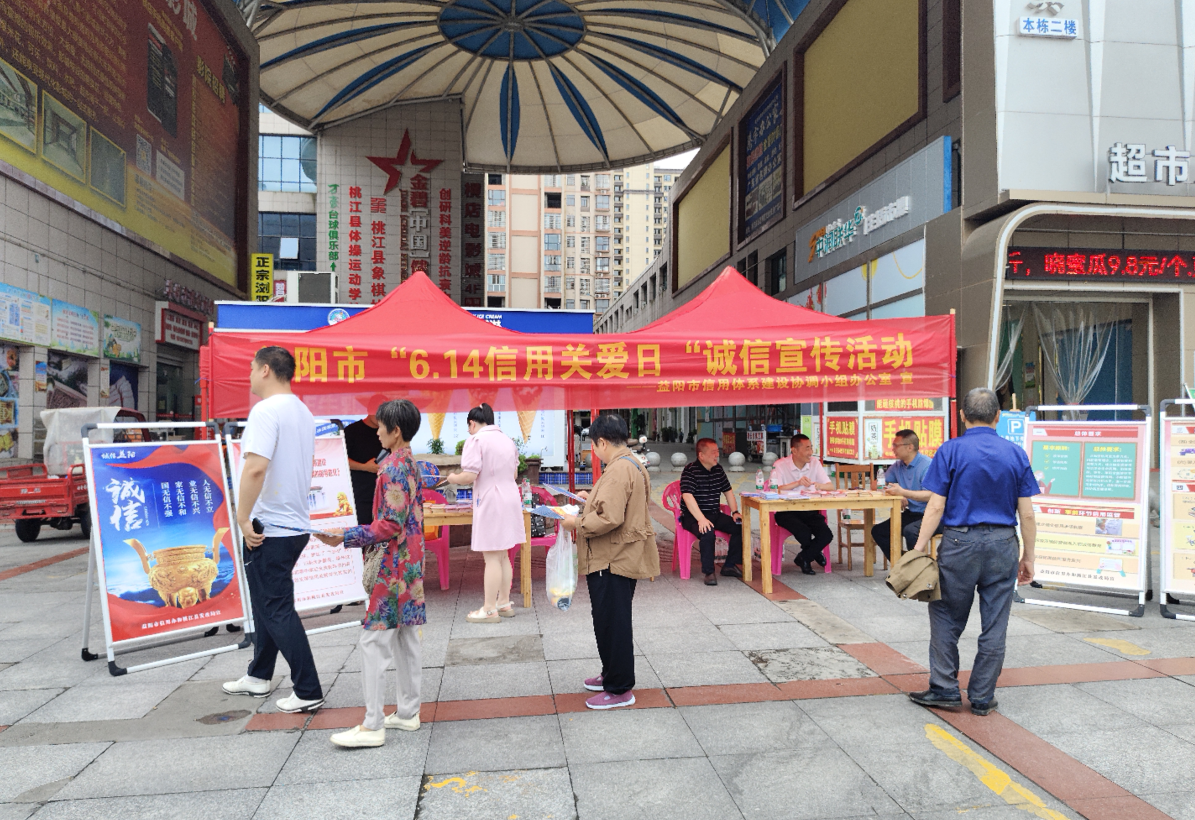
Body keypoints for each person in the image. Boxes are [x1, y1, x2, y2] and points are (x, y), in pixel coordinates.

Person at [907, 388, 1038, 717]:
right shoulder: (1016, 454)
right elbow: (1027, 514)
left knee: (945, 615)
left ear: (962, 416)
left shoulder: (950, 450)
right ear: (998, 417)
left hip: (959, 544)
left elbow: (935, 506)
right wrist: (1028, 556)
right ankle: (982, 696)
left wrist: (918, 549)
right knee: (995, 623)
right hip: (1003, 544)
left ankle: (944, 688)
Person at [314, 399, 426, 748]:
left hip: (392, 566)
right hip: (411, 562)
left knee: (373, 641)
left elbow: (389, 524)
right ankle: (407, 712)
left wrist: (346, 536)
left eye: (381, 426)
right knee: (406, 638)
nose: (377, 432)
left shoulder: (391, 467)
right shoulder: (410, 462)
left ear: (396, 431)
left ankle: (373, 725)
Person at [223, 346, 323, 714]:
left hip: (269, 526)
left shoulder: (266, 411)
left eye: (252, 368)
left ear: (265, 370)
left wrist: (242, 517)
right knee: (268, 602)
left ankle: (308, 688)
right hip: (293, 523)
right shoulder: (302, 411)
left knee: (275, 607)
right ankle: (258, 675)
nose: (249, 375)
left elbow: (255, 468)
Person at [560, 414, 659, 709]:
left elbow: (609, 517)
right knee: (608, 620)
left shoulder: (618, 469)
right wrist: (590, 498)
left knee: (613, 623)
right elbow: (617, 503)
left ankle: (619, 689)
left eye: (593, 445)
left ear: (602, 442)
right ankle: (610, 674)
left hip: (612, 558)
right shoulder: (629, 463)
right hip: (619, 555)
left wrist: (575, 523)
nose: (594, 450)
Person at [446, 403, 524, 622]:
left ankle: (489, 609)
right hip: (510, 497)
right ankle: (504, 602)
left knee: (491, 556)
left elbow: (469, 475)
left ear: (472, 423)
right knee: (503, 554)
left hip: (491, 499)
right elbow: (514, 473)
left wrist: (453, 478)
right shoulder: (507, 440)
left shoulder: (476, 440)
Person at [679, 438, 744, 585]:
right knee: (707, 532)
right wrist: (701, 519)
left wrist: (735, 512)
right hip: (693, 516)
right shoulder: (690, 471)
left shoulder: (718, 469)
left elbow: (728, 491)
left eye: (717, 451)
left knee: (740, 526)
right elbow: (687, 496)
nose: (717, 455)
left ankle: (729, 565)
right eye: (713, 452)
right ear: (701, 455)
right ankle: (708, 572)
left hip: (714, 513)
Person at [770, 433, 834, 575]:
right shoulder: (780, 465)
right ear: (794, 450)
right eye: (807, 448)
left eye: (811, 448)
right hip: (786, 511)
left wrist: (817, 485)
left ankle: (804, 557)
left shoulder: (814, 463)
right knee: (804, 532)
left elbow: (830, 486)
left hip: (809, 510)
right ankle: (812, 555)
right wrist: (797, 483)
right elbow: (776, 489)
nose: (810, 452)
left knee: (826, 535)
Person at [871, 429, 939, 560]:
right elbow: (875, 485)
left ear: (910, 447)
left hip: (933, 514)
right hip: (912, 513)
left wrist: (904, 492)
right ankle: (902, 564)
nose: (893, 449)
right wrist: (896, 494)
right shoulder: (898, 466)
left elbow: (931, 495)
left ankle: (917, 567)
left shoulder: (927, 465)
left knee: (910, 531)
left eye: (896, 445)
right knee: (878, 531)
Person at [344, 402, 388, 525]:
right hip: (360, 495)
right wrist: (364, 467)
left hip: (384, 495)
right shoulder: (352, 431)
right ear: (369, 410)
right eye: (378, 412)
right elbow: (341, 460)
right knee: (362, 531)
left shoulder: (388, 433)